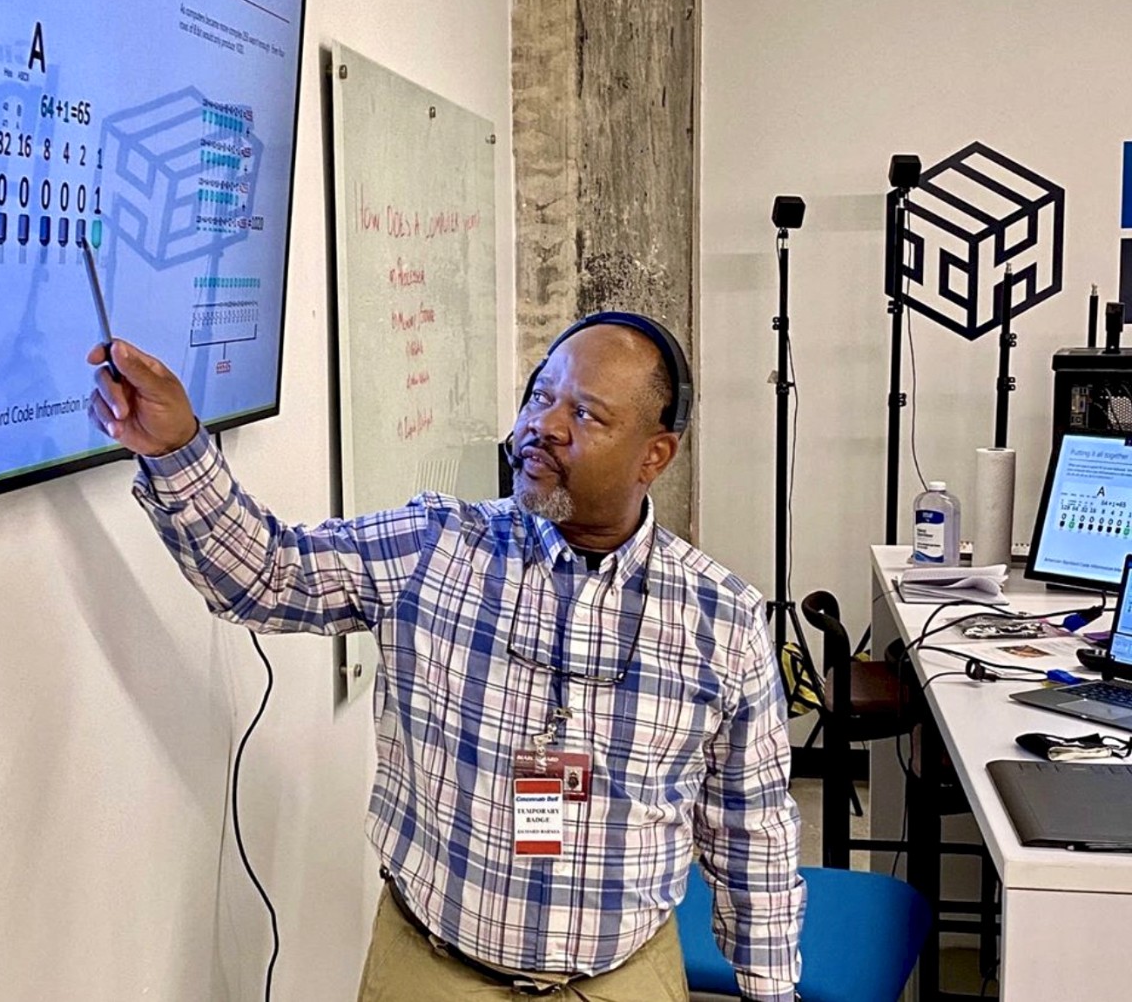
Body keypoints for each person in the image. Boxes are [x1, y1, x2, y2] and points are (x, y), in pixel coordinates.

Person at [87, 313, 804, 1001]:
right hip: (433, 969)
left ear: (655, 454)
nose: (542, 425)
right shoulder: (435, 547)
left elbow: (753, 832)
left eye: (584, 415)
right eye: (540, 395)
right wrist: (174, 450)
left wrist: (769, 993)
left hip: (618, 980)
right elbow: (268, 574)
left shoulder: (721, 619)